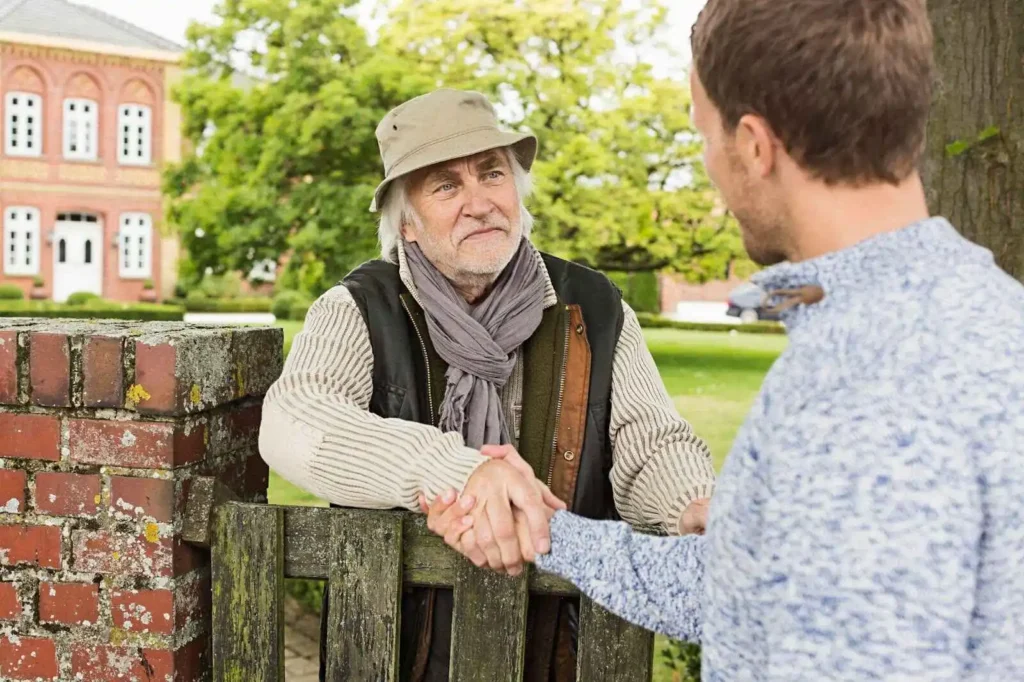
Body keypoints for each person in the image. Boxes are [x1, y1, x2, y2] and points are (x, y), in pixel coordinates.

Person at [428, 0, 1024, 679]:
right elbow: (747, 587)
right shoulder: (972, 313)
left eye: (703, 135)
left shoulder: (862, 386)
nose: (709, 167)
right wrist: (549, 532)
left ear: (755, 145)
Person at [258, 88, 716, 681]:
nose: (479, 203)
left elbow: (646, 440)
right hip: (398, 652)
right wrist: (462, 472)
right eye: (446, 186)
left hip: (565, 650)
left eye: (492, 175)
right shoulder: (359, 307)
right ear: (407, 223)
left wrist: (692, 504)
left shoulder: (593, 306)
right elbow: (296, 421)